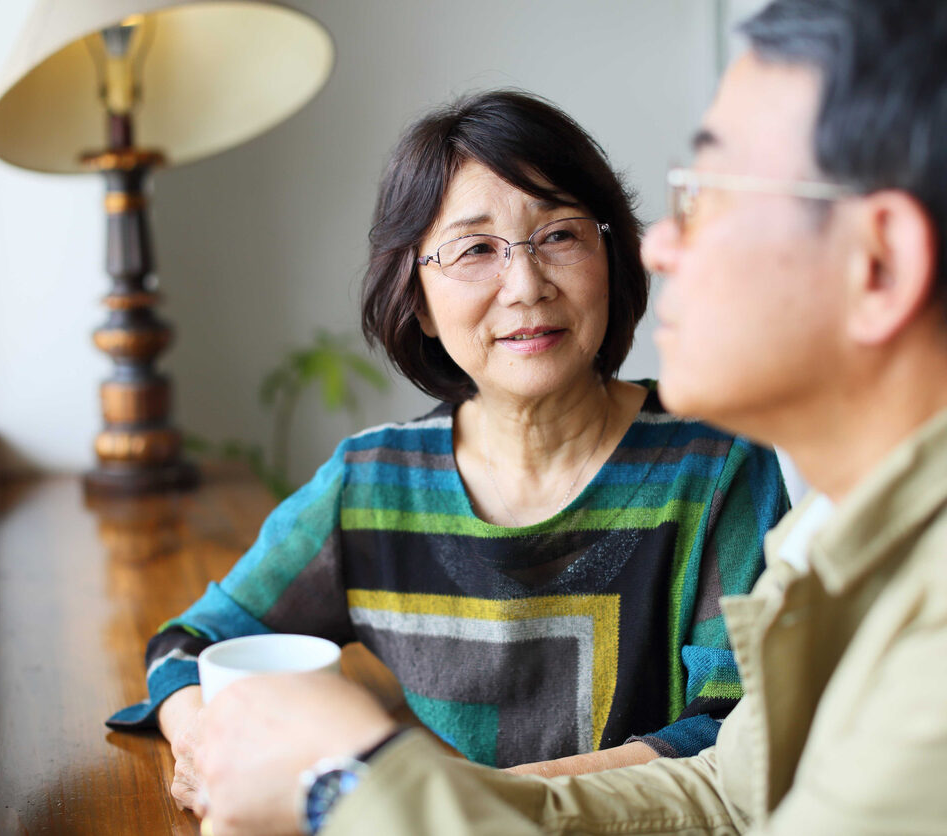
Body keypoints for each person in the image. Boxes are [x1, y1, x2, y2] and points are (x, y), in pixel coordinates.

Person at [186, 1, 947, 834]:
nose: (658, 243)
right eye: (476, 251)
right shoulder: (858, 525)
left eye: (710, 194)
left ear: (877, 264)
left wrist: (345, 785)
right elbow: (727, 791)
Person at [107, 90, 788, 807]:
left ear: (610, 256)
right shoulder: (372, 487)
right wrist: (197, 742)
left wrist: (458, 801)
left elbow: (739, 733)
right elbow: (188, 645)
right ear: (418, 301)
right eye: (475, 250)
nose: (524, 285)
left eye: (558, 234)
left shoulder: (718, 464)